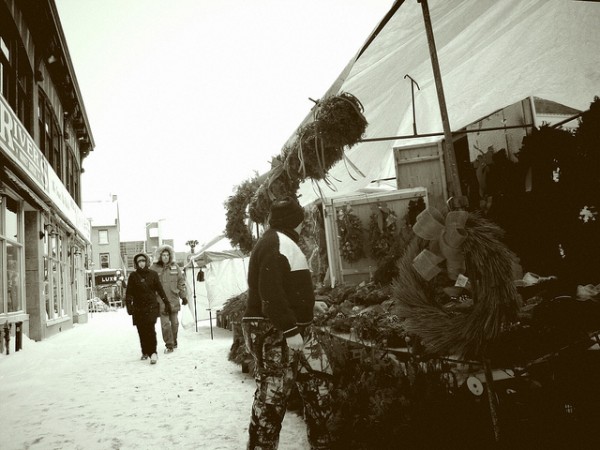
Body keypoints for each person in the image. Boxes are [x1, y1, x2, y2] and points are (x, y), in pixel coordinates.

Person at [242, 197, 333, 450]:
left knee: (319, 383)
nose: (305, 225)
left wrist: (307, 304)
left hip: (293, 329)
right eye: (303, 220)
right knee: (273, 396)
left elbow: (283, 286)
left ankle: (322, 442)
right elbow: (269, 293)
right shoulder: (277, 243)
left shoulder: (281, 241)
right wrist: (290, 329)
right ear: (296, 221)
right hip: (277, 331)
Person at [125, 253, 171, 364]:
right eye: (139, 261)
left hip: (151, 306)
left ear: (147, 262)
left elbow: (160, 290)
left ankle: (153, 353)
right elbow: (129, 293)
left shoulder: (153, 274)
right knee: (141, 330)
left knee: (150, 330)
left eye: (143, 261)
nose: (141, 263)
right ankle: (145, 351)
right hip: (138, 307)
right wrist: (129, 306)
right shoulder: (133, 276)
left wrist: (167, 303)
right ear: (136, 263)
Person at [150, 244, 188, 353]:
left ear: (170, 256)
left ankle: (174, 340)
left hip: (174, 300)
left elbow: (181, 282)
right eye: (163, 255)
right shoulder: (154, 268)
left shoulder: (175, 267)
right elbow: (150, 285)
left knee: (175, 323)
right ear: (160, 256)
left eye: (167, 255)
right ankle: (169, 344)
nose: (165, 257)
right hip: (161, 302)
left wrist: (183, 296)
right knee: (165, 325)